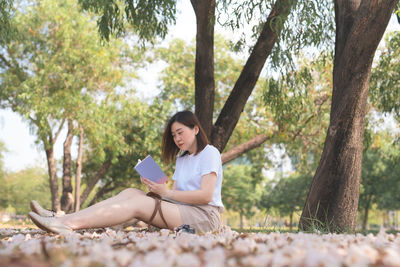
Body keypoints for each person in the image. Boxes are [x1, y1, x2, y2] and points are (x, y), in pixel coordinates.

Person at [29, 110, 224, 234]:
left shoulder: (210, 153)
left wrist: (167, 193)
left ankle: (67, 224)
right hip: (184, 211)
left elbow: (206, 195)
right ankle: (62, 218)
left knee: (139, 203)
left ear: (196, 129)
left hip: (204, 217)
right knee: (131, 192)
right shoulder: (182, 159)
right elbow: (174, 199)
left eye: (180, 132)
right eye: (173, 135)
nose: (177, 139)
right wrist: (157, 188)